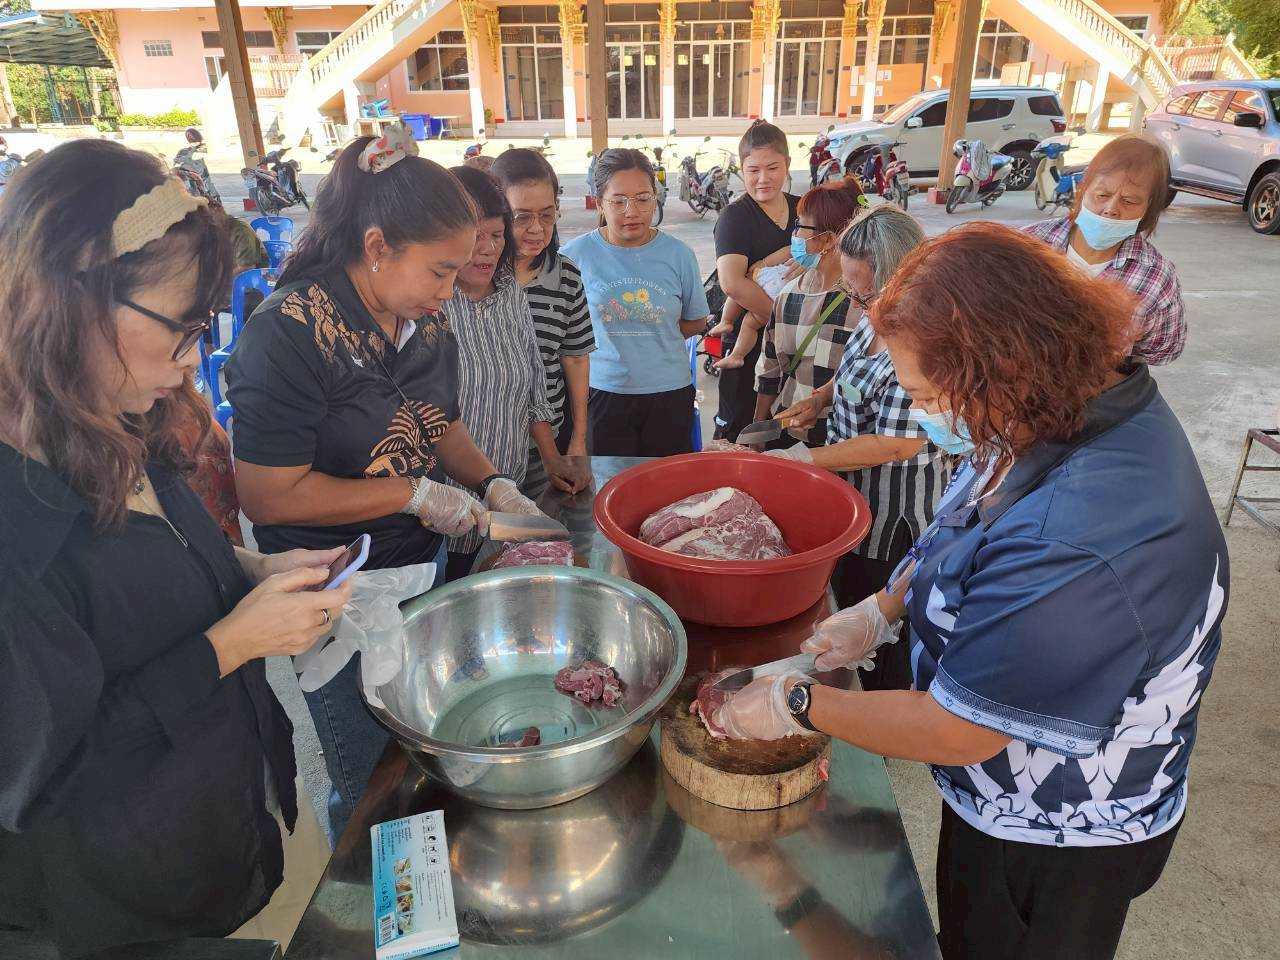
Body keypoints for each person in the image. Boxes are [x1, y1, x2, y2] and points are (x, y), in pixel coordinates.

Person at [714, 224, 1228, 960]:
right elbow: (966, 510)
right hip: (994, 790)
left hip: (1059, 828)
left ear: (997, 368)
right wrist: (884, 606)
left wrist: (798, 702)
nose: (925, 414)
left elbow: (962, 729)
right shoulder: (1050, 405)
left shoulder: (1081, 532)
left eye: (926, 394)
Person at [0, 141, 348, 957]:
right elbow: (46, 774)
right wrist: (233, 644)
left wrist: (252, 572)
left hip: (222, 825)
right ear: (73, 294)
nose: (195, 357)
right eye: (180, 327)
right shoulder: (16, 516)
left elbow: (143, 584)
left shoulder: (112, 416)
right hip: (121, 904)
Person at [226, 127, 522, 840]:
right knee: (367, 783)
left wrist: (495, 484)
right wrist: (409, 494)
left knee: (433, 745)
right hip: (337, 594)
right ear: (379, 245)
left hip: (427, 569)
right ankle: (359, 913)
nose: (449, 291)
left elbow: (438, 423)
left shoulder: (421, 319)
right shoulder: (289, 334)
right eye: (440, 271)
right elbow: (267, 494)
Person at [769, 207, 943, 691]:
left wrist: (799, 460)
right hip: (850, 492)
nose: (857, 301)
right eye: (850, 290)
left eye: (864, 291)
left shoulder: (922, 340)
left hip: (895, 513)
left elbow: (895, 445)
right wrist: (820, 401)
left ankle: (881, 720)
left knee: (883, 627)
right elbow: (852, 375)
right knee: (844, 605)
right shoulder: (873, 317)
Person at [441, 165, 579, 579]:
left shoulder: (511, 296)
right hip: (445, 510)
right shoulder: (432, 305)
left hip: (508, 495)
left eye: (496, 236)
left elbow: (534, 387)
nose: (486, 249)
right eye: (474, 237)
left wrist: (553, 459)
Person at [562, 148, 710, 457]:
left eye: (643, 199)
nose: (632, 211)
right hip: (603, 393)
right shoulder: (574, 257)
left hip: (669, 393)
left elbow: (696, 321)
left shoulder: (679, 255)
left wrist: (655, 336)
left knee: (669, 492)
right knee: (609, 488)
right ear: (599, 201)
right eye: (618, 201)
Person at [1025, 133, 1185, 365]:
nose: (1111, 209)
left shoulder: (1156, 277)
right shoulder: (1030, 244)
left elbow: (1163, 349)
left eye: (1129, 201)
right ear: (1083, 189)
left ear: (1148, 209)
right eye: (1102, 195)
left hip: (1098, 393)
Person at [490, 148, 596, 496]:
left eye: (547, 216)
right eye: (521, 217)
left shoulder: (565, 276)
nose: (537, 229)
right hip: (479, 447)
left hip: (546, 451)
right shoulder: (472, 278)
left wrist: (578, 443)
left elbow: (576, 358)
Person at [705, 120, 800, 441]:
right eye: (752, 170)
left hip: (801, 342)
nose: (763, 179)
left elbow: (843, 236)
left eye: (772, 167)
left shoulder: (805, 208)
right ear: (741, 170)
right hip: (753, 341)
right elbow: (732, 283)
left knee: (787, 426)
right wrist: (783, 323)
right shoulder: (735, 217)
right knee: (740, 429)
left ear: (787, 164)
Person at [754, 178, 867, 448]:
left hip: (838, 441)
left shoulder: (860, 304)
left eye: (800, 226)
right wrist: (759, 430)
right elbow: (769, 370)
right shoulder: (788, 295)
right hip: (785, 430)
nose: (794, 235)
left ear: (827, 240)